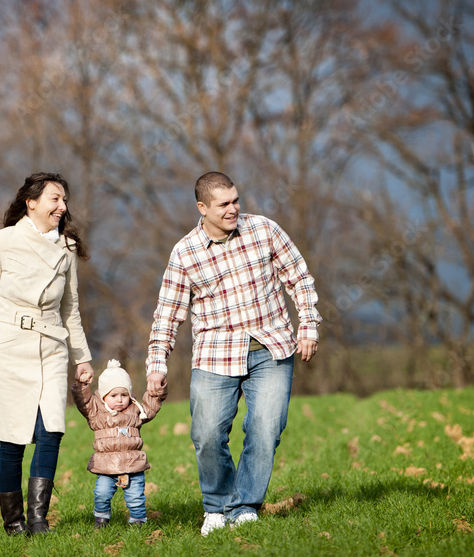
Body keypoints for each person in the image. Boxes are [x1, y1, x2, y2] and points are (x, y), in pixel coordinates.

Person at [145, 171, 321, 535]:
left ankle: (245, 506)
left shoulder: (264, 231)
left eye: (236, 200)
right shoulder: (185, 253)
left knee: (266, 429)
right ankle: (217, 505)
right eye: (224, 204)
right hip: (214, 356)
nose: (233, 209)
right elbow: (167, 313)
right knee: (207, 434)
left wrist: (308, 324)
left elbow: (299, 277)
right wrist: (156, 364)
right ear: (202, 208)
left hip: (271, 348)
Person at [0, 172, 94, 536]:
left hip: (51, 348)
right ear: (31, 202)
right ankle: (13, 522)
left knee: (52, 431)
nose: (63, 207)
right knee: (13, 436)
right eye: (55, 199)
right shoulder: (1, 242)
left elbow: (71, 308)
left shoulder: (66, 248)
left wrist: (82, 358)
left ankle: (38, 520)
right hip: (7, 348)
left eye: (64, 200)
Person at [71, 360, 166, 528]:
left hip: (133, 465)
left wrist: (157, 392)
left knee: (136, 496)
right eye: (113, 396)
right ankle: (101, 518)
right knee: (102, 493)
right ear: (103, 396)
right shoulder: (96, 412)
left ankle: (138, 521)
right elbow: (84, 402)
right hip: (106, 467)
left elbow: (151, 407)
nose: (120, 400)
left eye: (124, 395)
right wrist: (82, 384)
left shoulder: (136, 411)